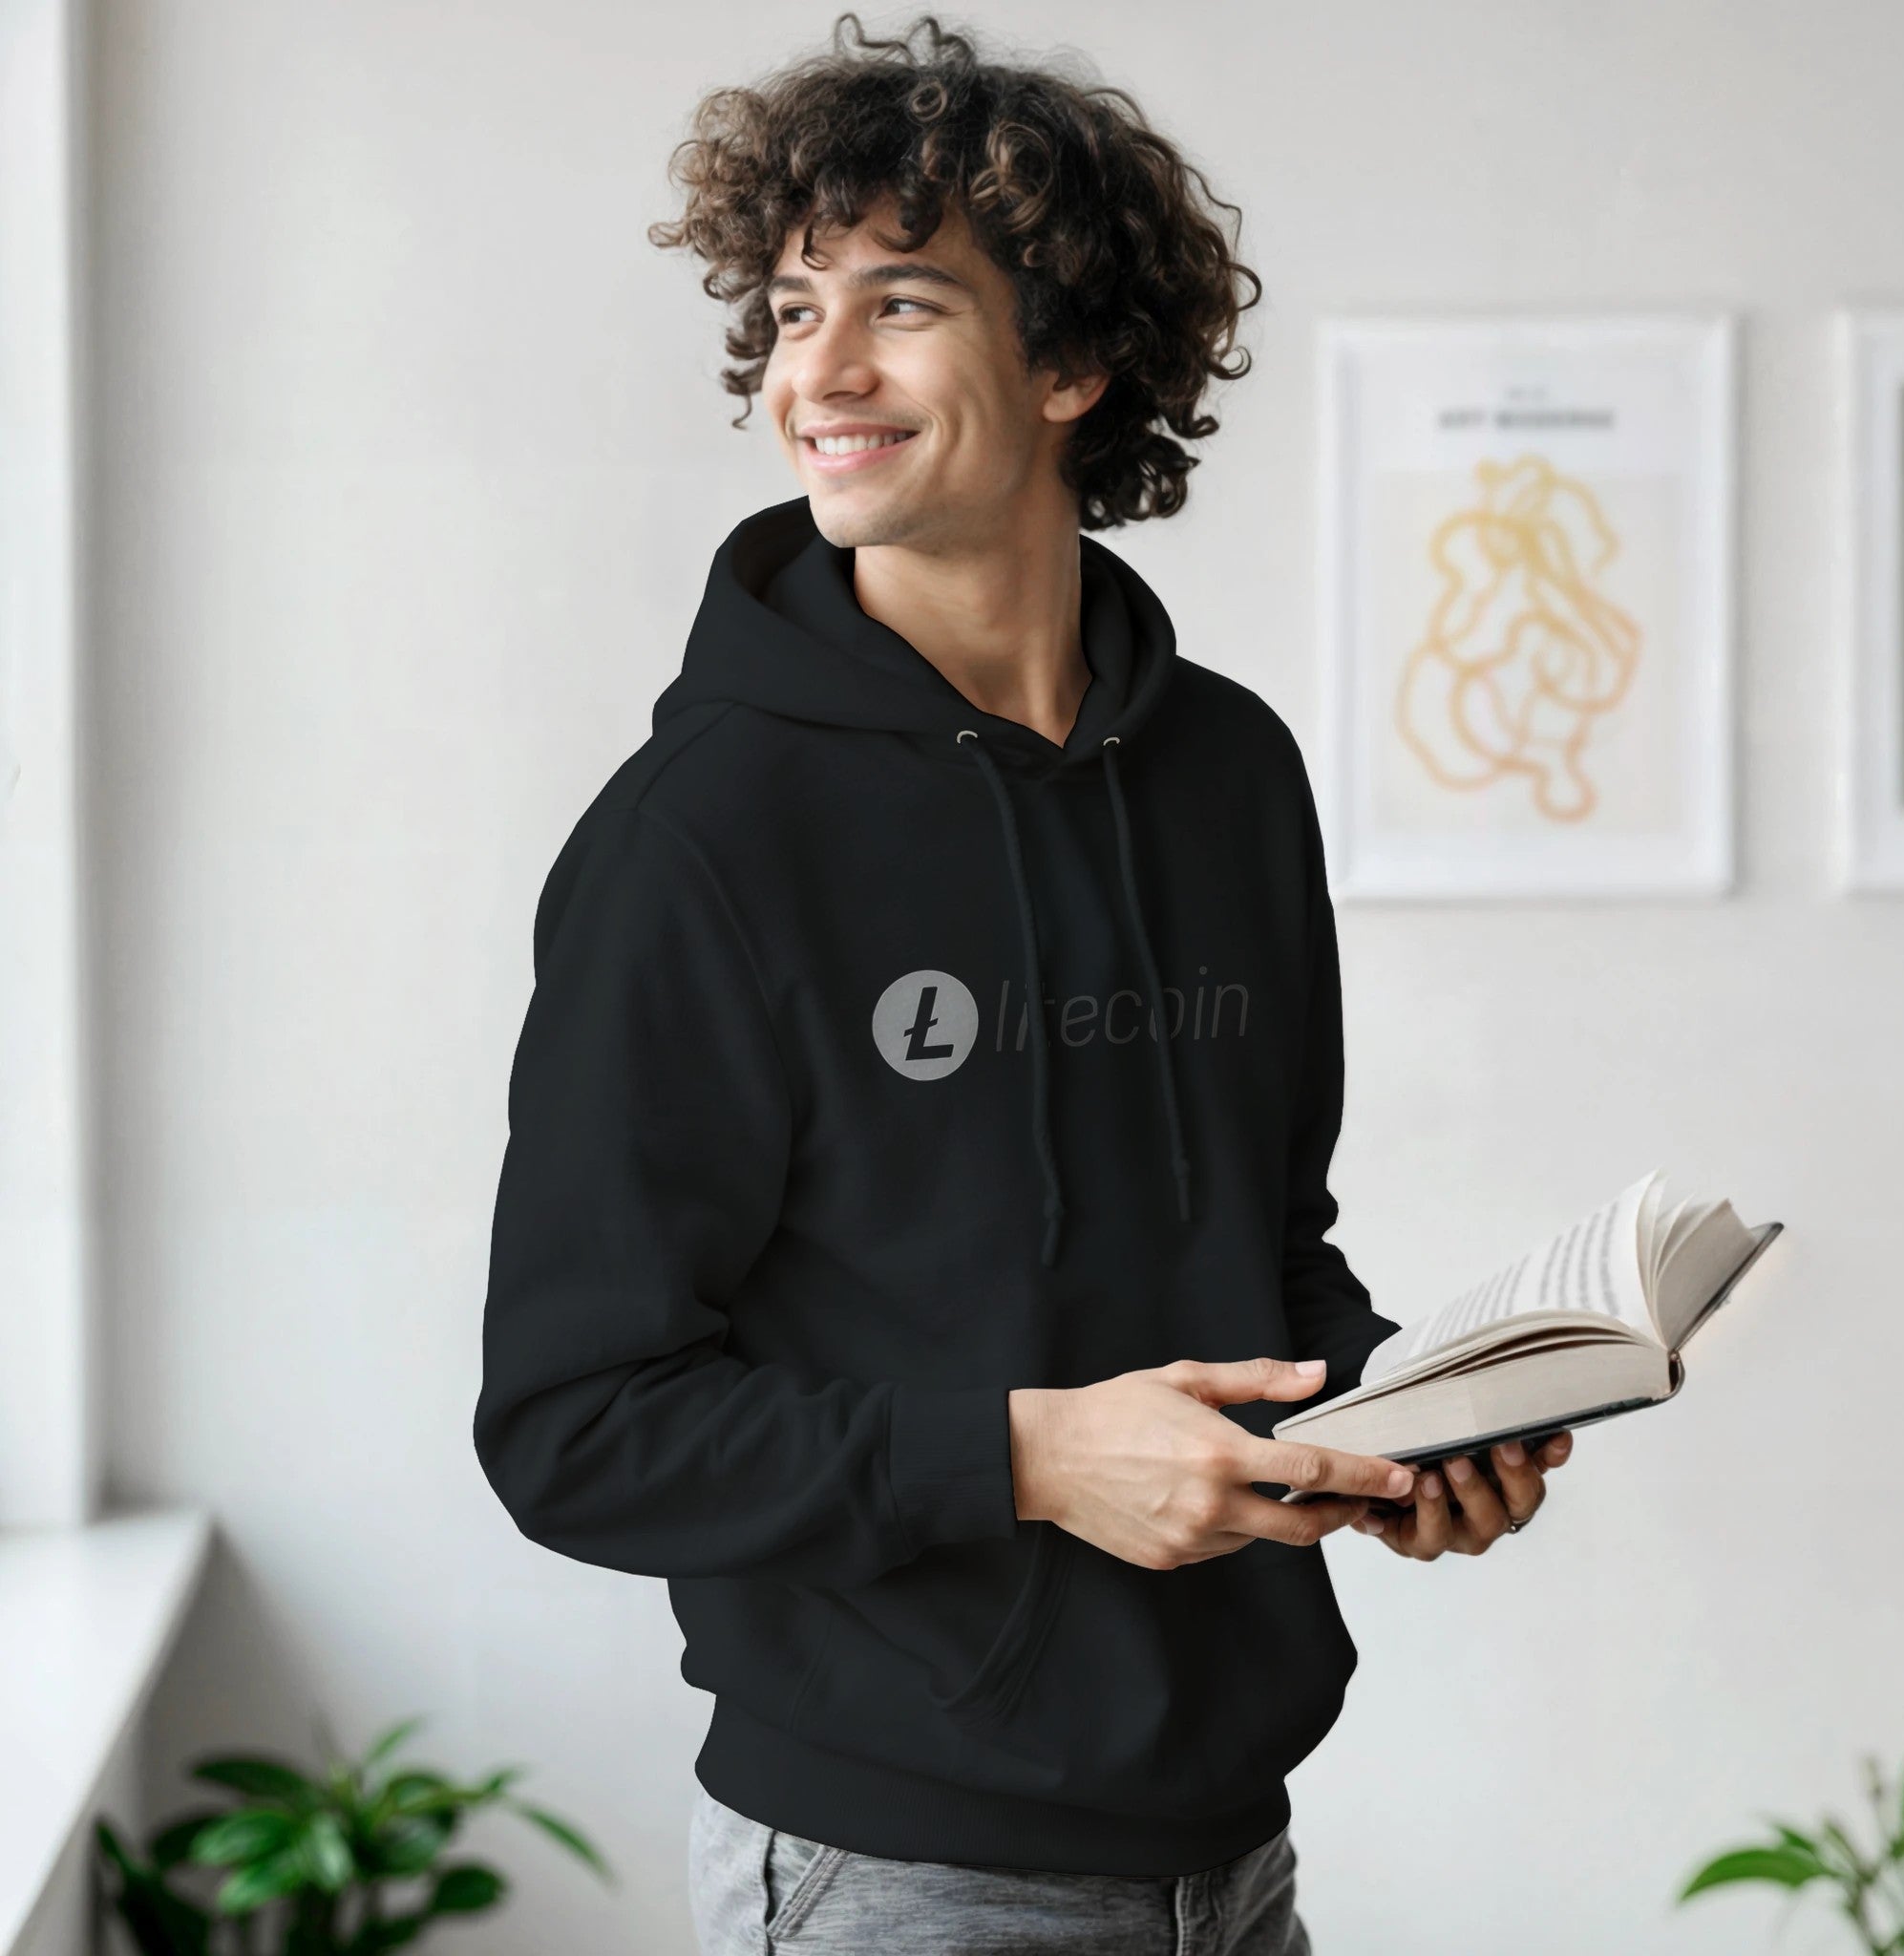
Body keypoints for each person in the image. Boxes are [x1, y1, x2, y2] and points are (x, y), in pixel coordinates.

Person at [473, 14, 1573, 1953]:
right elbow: (575, 1421)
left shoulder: (1227, 775)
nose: (814, 368)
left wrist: (1393, 1425)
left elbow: (1256, 1240)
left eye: (898, 304)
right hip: (895, 1868)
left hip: (1233, 1848)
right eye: (793, 305)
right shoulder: (700, 840)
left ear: (1071, 362)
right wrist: (1032, 1456)